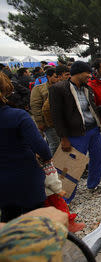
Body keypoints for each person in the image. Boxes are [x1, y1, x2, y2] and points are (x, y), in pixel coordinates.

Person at [49, 61, 101, 202]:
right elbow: (56, 116)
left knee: (99, 158)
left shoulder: (87, 88)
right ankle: (66, 199)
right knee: (70, 166)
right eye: (87, 73)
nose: (90, 76)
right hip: (75, 134)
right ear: (78, 73)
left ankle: (93, 184)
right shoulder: (59, 89)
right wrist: (63, 138)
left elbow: (89, 110)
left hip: (93, 130)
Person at [0, 73, 53, 222]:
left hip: (3, 188)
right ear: (5, 89)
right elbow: (42, 148)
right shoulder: (18, 116)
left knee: (8, 221)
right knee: (36, 223)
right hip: (25, 179)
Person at [30, 67, 63, 155]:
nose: (58, 79)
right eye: (56, 77)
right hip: (48, 122)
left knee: (60, 143)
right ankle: (50, 164)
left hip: (60, 121)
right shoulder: (39, 89)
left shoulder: (61, 87)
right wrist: (40, 122)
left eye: (59, 77)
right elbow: (35, 106)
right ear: (48, 77)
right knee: (55, 144)